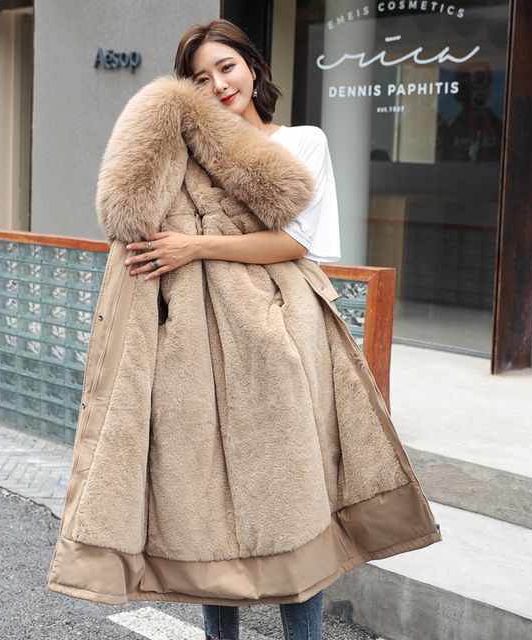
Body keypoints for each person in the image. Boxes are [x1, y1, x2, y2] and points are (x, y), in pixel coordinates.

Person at [121, 19, 341, 640]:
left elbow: (294, 243)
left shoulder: (301, 143)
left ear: (252, 67)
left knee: (293, 494)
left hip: (280, 332)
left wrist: (194, 245)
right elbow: (134, 222)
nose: (218, 85)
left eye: (226, 67)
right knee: (206, 501)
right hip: (199, 335)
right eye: (199, 78)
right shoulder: (185, 156)